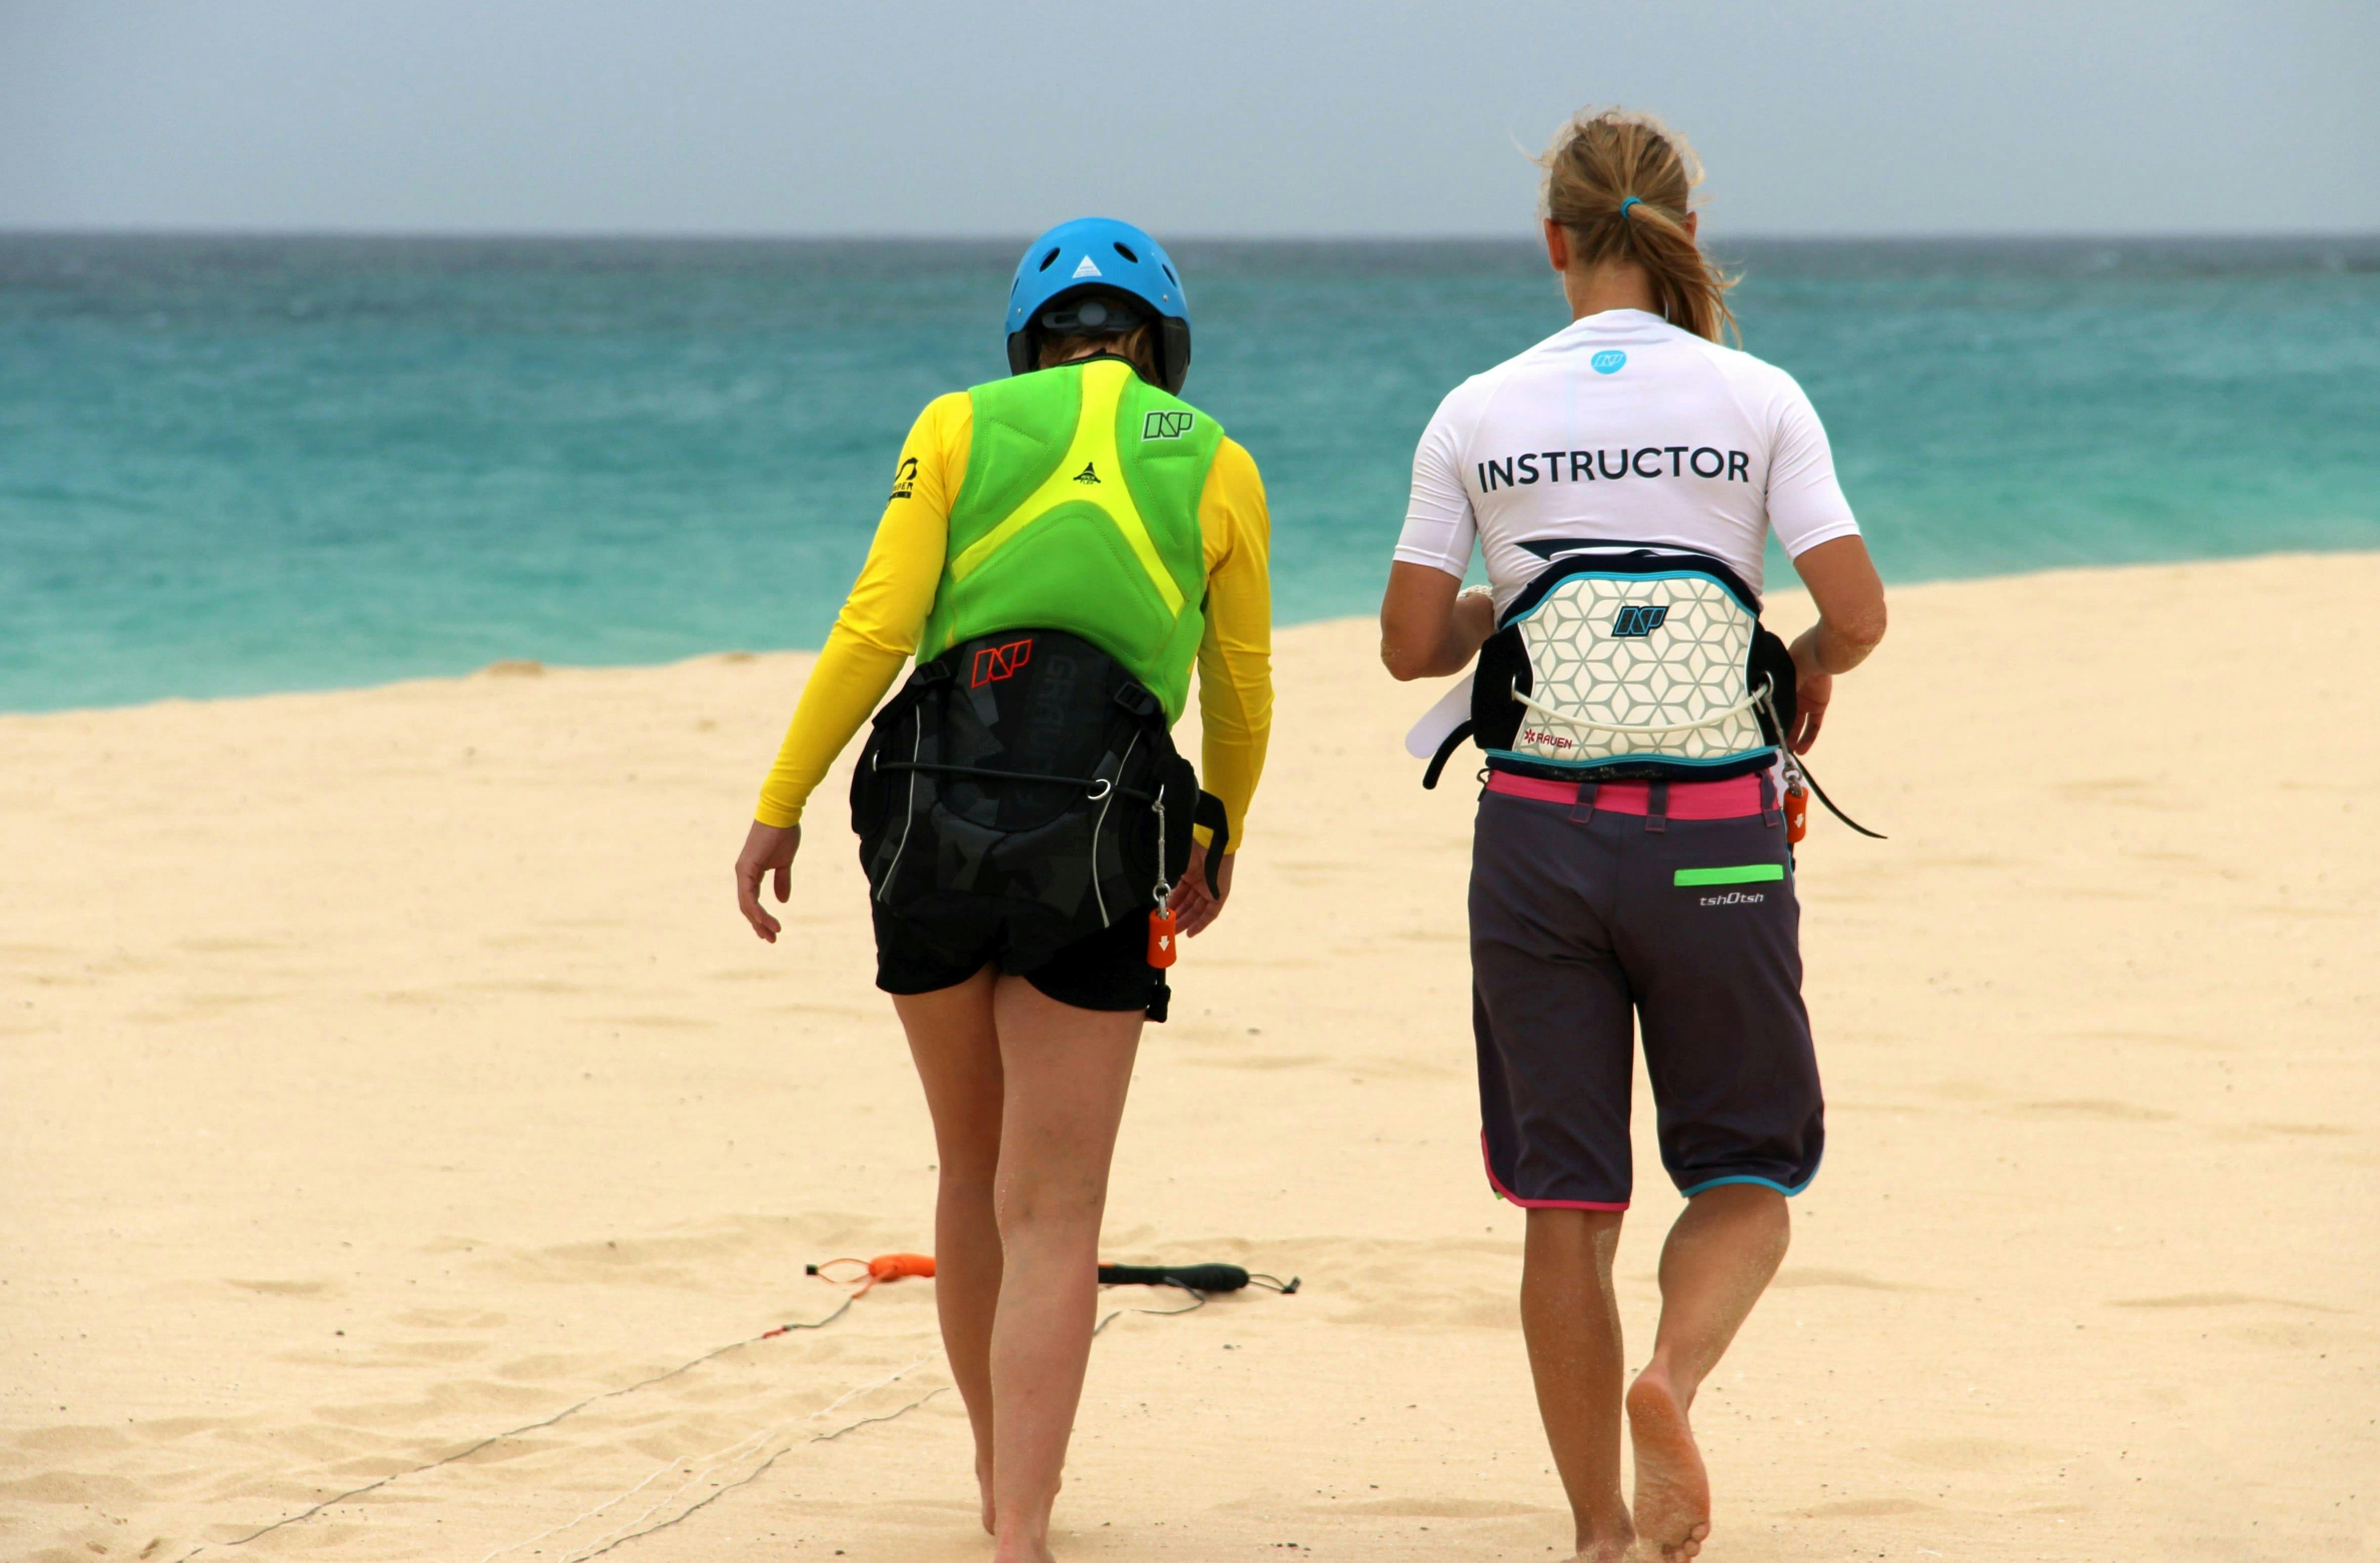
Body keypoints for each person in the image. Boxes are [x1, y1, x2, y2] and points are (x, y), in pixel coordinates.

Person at [1379, 110, 1887, 1563]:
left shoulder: (1476, 408)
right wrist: (1797, 668)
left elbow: (1413, 647)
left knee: (1566, 1202)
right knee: (1745, 1173)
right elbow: (1856, 613)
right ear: (1682, 236)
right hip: (1716, 835)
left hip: (1537, 839)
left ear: (1553, 242)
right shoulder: (1757, 397)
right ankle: (1671, 1379)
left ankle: (1600, 1531)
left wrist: (1492, 613)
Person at [733, 219, 1272, 1563]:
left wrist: (779, 802)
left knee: (970, 1174)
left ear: (1033, 338)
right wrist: (1223, 836)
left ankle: (992, 1480)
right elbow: (1240, 687)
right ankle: (1021, 1529)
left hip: (928, 825)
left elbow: (876, 624)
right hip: (1107, 837)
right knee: (1057, 1208)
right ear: (1164, 345)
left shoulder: (959, 426)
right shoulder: (1219, 464)